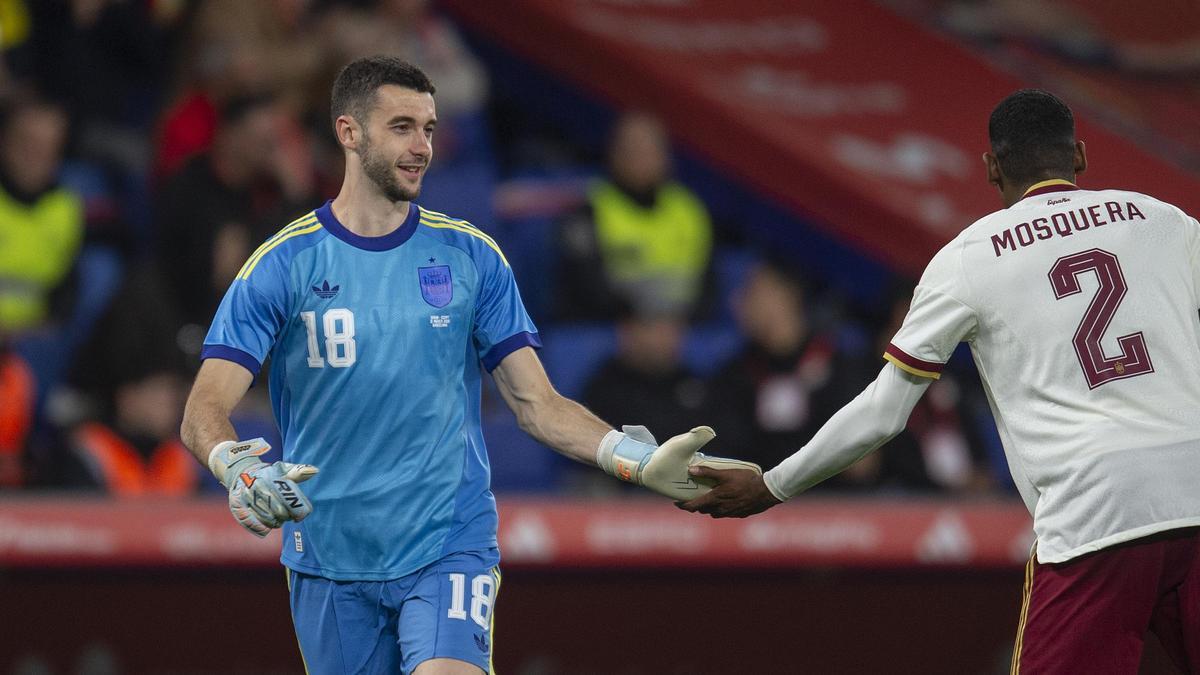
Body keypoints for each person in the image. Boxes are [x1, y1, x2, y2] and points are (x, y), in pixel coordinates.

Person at [180, 56, 752, 675]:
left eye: (428, 128)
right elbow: (203, 409)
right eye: (402, 127)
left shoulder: (471, 257)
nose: (422, 146)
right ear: (349, 132)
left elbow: (537, 404)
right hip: (328, 556)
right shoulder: (281, 264)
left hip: (448, 544)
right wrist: (237, 469)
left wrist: (636, 459)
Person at [681, 89, 1200, 673]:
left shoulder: (968, 258)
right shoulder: (1165, 221)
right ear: (1078, 154)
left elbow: (883, 413)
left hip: (1096, 513)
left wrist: (772, 485)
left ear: (991, 167)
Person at [556, 111, 713, 320]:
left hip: (680, 328)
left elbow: (709, 286)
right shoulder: (589, 210)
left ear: (666, 157)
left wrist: (676, 323)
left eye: (649, 149)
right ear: (613, 154)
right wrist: (637, 320)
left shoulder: (689, 210)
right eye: (631, 149)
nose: (640, 158)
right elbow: (585, 289)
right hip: (613, 326)